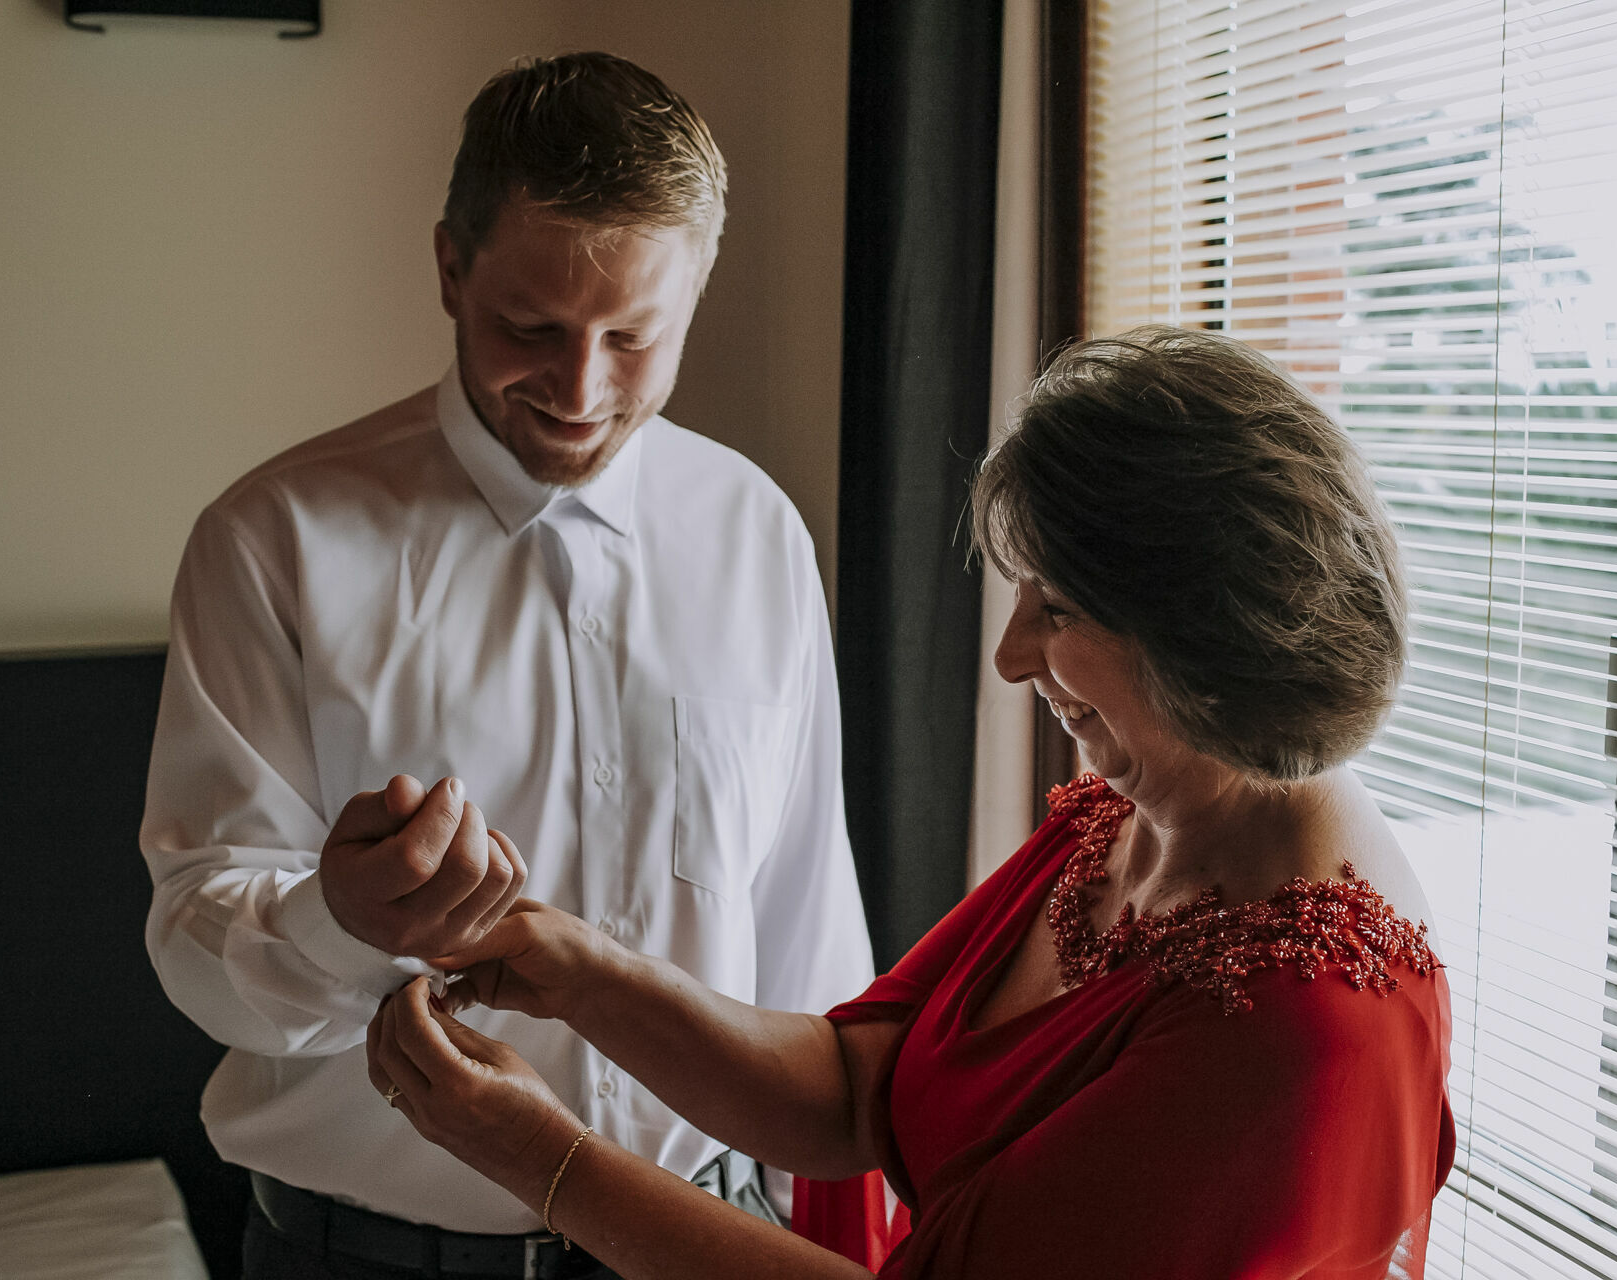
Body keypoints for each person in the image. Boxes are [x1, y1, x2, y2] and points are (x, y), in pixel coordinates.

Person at [364, 326, 1459, 1279]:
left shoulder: (1297, 1026)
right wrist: (577, 965)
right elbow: (852, 1089)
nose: (1013, 654)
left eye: (1057, 607)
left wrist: (543, 1159)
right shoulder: (1128, 817)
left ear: (1204, 641)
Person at [139, 52, 875, 1280]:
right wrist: (338, 919)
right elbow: (194, 945)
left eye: (632, 336)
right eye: (529, 328)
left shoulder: (758, 533)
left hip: (711, 1237)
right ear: (448, 268)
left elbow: (808, 930)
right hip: (367, 1259)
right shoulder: (273, 542)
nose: (581, 391)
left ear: (696, 292)